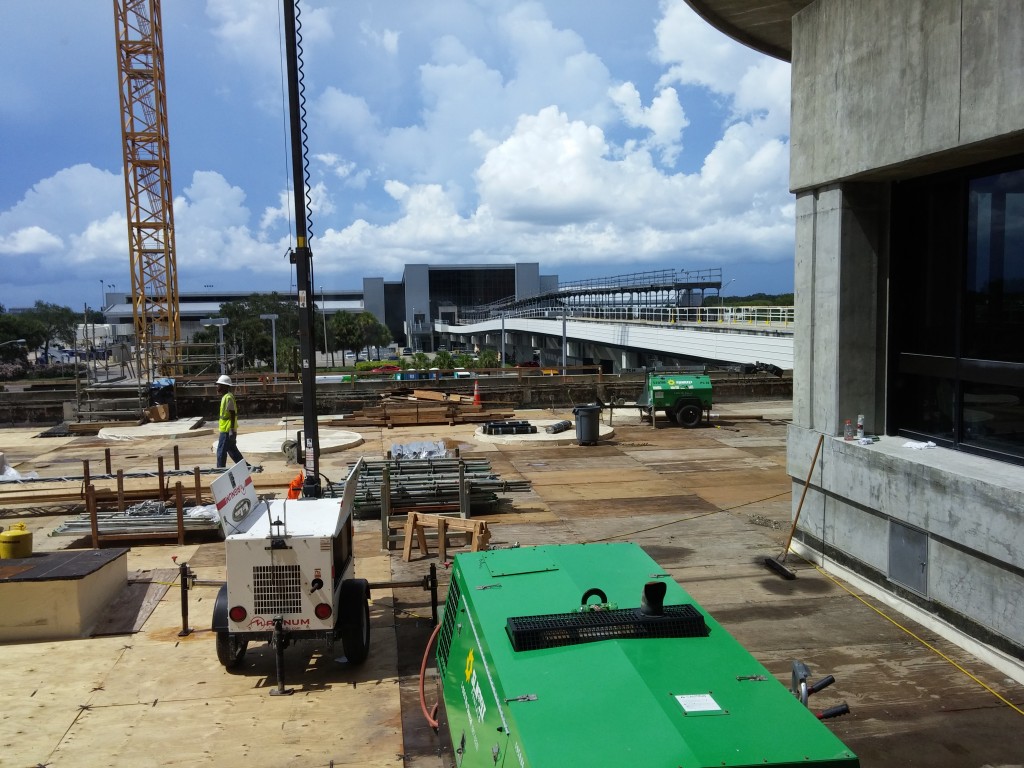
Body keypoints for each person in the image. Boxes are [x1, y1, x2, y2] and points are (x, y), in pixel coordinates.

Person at [215, 374, 245, 468]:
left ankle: (220, 470)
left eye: (219, 385)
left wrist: (231, 430)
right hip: (227, 429)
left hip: (227, 430)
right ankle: (245, 467)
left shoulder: (228, 397)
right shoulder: (226, 397)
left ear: (224, 386)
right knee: (233, 451)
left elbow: (232, 413)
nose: (218, 386)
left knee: (221, 452)